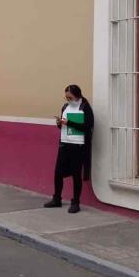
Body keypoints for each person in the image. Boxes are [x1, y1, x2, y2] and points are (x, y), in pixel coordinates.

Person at [44, 84, 95, 214]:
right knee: (58, 173)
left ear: (77, 96)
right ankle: (56, 199)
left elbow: (87, 126)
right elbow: (63, 127)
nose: (68, 100)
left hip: (78, 146)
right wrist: (59, 124)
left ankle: (76, 202)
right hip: (64, 144)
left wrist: (69, 123)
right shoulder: (65, 107)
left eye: (70, 97)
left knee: (76, 175)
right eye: (66, 97)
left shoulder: (85, 107)